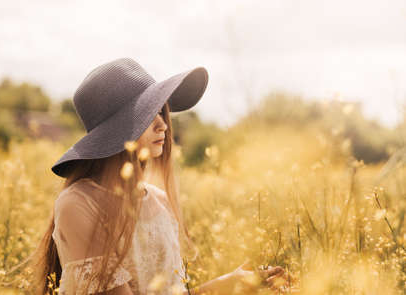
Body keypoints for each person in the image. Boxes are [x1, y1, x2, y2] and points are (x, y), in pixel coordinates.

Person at [27, 58, 287, 294]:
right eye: (147, 114)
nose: (163, 123)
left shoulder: (160, 201)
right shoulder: (79, 204)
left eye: (161, 111)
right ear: (115, 131)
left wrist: (233, 284)